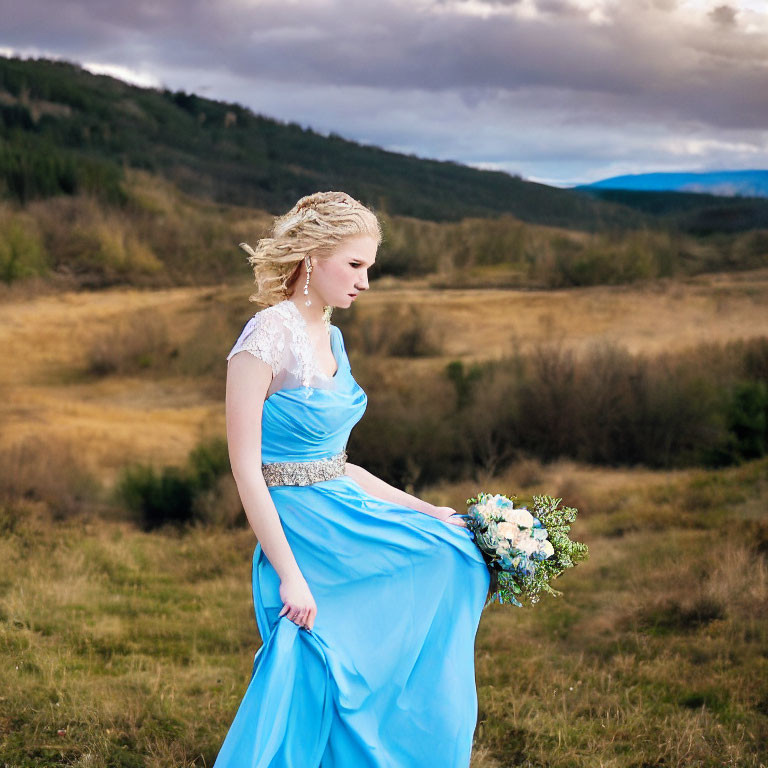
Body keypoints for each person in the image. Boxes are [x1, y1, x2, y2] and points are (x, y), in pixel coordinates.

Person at [214, 191, 490, 768]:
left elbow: (338, 465)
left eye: (371, 267)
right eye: (356, 264)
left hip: (343, 506)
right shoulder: (265, 335)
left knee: (454, 552)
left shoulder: (332, 335)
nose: (366, 281)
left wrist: (422, 508)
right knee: (311, 661)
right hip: (302, 534)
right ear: (312, 256)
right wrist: (289, 575)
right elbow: (246, 467)